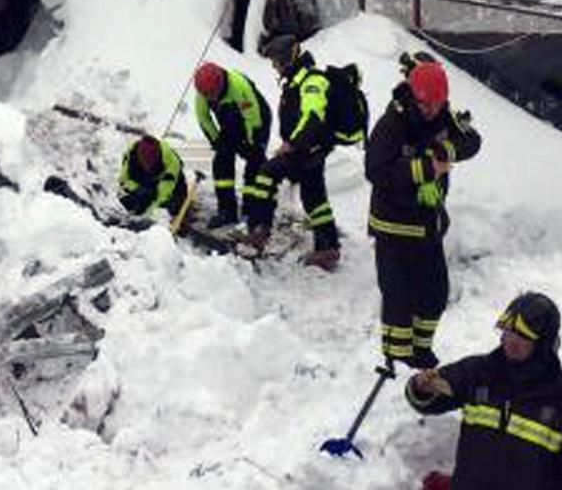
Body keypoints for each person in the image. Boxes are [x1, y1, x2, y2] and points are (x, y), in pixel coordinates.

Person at [406, 293, 562, 490]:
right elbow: (427, 399)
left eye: (523, 336)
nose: (512, 341)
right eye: (508, 331)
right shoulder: (478, 373)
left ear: (544, 343)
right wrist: (421, 387)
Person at [366, 54, 480, 368]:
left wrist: (448, 149)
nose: (432, 110)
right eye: (426, 104)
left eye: (438, 104)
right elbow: (376, 170)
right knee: (398, 296)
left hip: (428, 223)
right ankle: (396, 356)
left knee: (435, 293)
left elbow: (472, 141)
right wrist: (426, 168)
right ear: (413, 96)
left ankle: (420, 349)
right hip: (393, 225)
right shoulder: (392, 123)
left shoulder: (444, 116)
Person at [247, 34, 366, 269]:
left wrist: (292, 144)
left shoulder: (312, 82)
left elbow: (313, 116)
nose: (274, 67)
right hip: (312, 147)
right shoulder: (297, 80)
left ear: (287, 59)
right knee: (314, 197)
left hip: (307, 148)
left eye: (276, 61)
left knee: (266, 174)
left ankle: (259, 231)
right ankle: (328, 247)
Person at [191, 62, 272, 231]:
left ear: (220, 84)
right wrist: (216, 141)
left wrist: (252, 143)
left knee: (255, 161)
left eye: (212, 94)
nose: (210, 98)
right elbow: (203, 118)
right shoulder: (203, 93)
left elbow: (253, 117)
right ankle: (227, 211)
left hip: (257, 119)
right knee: (221, 161)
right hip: (229, 121)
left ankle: (252, 210)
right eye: (206, 95)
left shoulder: (238, 87)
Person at [118, 134, 190, 229]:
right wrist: (138, 189)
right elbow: (124, 180)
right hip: (147, 182)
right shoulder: (131, 154)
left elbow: (162, 195)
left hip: (171, 187)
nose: (147, 166)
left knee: (172, 204)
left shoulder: (171, 164)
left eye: (150, 164)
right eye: (144, 163)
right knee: (131, 200)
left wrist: (143, 215)